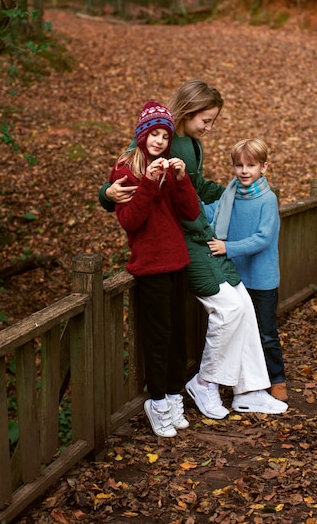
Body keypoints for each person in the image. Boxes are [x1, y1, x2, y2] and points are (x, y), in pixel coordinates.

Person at [99, 80, 288, 419]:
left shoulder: (191, 144)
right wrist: (104, 194)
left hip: (194, 239)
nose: (209, 127)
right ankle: (205, 383)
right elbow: (128, 167)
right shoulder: (162, 136)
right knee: (229, 310)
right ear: (188, 111)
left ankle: (250, 390)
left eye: (213, 120)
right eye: (206, 119)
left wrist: (236, 191)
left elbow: (194, 186)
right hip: (182, 244)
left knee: (243, 306)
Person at [108, 101, 200, 437]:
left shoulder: (168, 167)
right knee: (158, 336)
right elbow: (131, 221)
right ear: (142, 134)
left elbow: (190, 213)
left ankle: (174, 396)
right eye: (154, 133)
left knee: (178, 334)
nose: (159, 140)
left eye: (165, 135)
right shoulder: (125, 171)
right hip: (150, 265)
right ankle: (157, 401)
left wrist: (181, 178)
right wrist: (147, 183)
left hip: (177, 260)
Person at [203, 138, 287, 401]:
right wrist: (186, 200)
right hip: (235, 276)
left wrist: (228, 247)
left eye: (251, 165)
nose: (244, 171)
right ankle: (242, 380)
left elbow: (262, 238)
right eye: (239, 165)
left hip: (262, 279)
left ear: (264, 167)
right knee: (239, 329)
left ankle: (276, 378)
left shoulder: (267, 200)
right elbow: (209, 213)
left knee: (265, 332)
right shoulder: (230, 195)